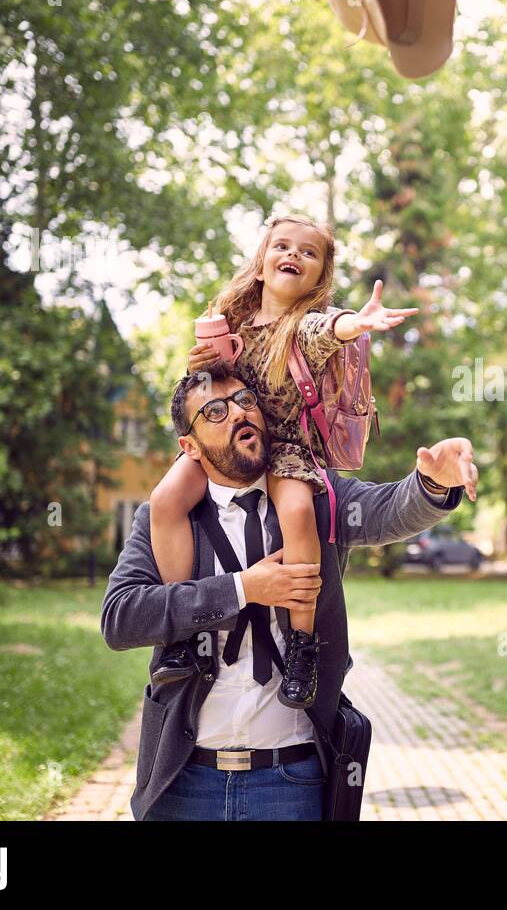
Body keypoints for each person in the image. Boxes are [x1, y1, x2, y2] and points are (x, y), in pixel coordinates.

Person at [102, 364, 479, 820]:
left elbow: (385, 511)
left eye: (245, 401)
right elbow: (121, 619)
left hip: (292, 779)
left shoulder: (317, 501)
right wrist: (244, 588)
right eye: (215, 411)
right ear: (190, 446)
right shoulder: (163, 519)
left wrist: (432, 483)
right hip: (184, 780)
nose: (239, 414)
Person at [149, 213, 417, 709]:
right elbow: (205, 391)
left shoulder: (303, 328)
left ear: (320, 276)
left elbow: (329, 330)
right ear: (260, 263)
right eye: (283, 246)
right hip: (232, 440)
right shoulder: (231, 322)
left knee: (297, 513)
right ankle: (181, 634)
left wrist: (356, 323)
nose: (294, 255)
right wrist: (200, 368)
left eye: (309, 252)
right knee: (165, 500)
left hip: (287, 445)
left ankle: (302, 645)